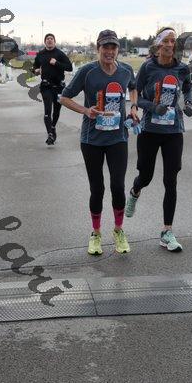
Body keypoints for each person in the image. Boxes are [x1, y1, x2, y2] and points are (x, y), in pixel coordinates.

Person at [60, 29, 139, 256]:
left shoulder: (125, 70)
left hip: (118, 138)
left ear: (118, 49)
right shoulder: (87, 72)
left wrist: (134, 107)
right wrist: (86, 110)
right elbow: (64, 97)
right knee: (97, 188)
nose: (109, 51)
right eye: (106, 47)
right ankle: (95, 234)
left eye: (113, 47)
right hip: (92, 140)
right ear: (98, 48)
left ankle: (118, 230)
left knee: (118, 186)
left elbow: (133, 87)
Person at [125, 26, 192, 252]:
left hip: (173, 131)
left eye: (173, 41)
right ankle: (135, 191)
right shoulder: (148, 67)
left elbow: (188, 89)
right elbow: (136, 98)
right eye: (165, 40)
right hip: (150, 131)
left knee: (170, 180)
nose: (169, 44)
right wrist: (153, 107)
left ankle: (167, 231)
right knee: (145, 176)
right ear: (158, 44)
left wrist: (189, 102)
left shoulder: (182, 68)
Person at [33, 33, 72, 145]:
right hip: (46, 86)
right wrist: (35, 70)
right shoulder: (40, 54)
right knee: (47, 111)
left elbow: (69, 67)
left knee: (56, 111)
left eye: (51, 39)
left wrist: (57, 63)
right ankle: (50, 133)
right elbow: (34, 67)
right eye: (47, 39)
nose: (49, 40)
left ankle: (53, 127)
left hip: (59, 87)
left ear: (54, 41)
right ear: (45, 41)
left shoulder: (59, 54)